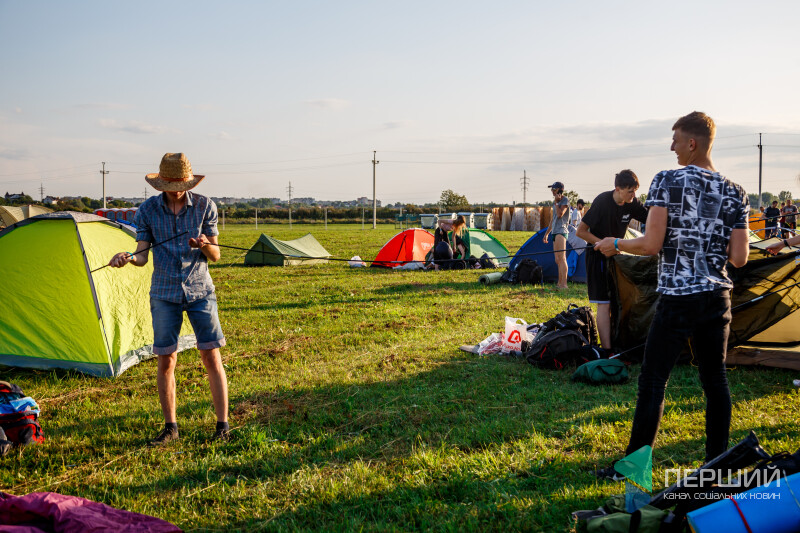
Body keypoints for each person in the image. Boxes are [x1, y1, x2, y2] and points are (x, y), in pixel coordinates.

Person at [593, 112, 750, 477]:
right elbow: (740, 258)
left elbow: (650, 245)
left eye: (676, 140)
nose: (671, 147)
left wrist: (615, 243)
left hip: (679, 297)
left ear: (692, 143)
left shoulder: (666, 180)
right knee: (715, 381)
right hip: (718, 298)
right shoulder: (736, 192)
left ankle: (633, 468)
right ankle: (716, 466)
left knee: (653, 379)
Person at [108, 153, 229, 446]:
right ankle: (170, 428)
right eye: (170, 185)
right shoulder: (148, 210)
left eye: (181, 185)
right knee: (166, 359)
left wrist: (204, 245)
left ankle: (223, 426)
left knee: (211, 355)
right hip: (164, 293)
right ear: (161, 183)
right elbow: (141, 255)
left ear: (188, 182)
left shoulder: (205, 206)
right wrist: (127, 257)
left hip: (200, 291)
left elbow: (216, 255)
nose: (176, 191)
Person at [576, 170, 648, 351]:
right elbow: (581, 231)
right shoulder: (602, 201)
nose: (634, 195)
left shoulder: (632, 203)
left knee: (618, 302)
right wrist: (602, 244)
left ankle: (618, 345)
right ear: (618, 189)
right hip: (597, 257)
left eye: (635, 191)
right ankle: (607, 351)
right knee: (604, 304)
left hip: (617, 257)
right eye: (630, 191)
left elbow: (651, 217)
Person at [542, 181, 570, 289]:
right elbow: (553, 220)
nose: (552, 191)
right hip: (554, 231)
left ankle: (564, 284)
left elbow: (559, 214)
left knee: (562, 258)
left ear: (560, 190)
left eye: (554, 189)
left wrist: (557, 202)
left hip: (561, 231)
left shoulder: (564, 200)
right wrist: (546, 234)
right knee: (557, 260)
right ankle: (559, 283)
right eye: (552, 189)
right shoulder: (555, 202)